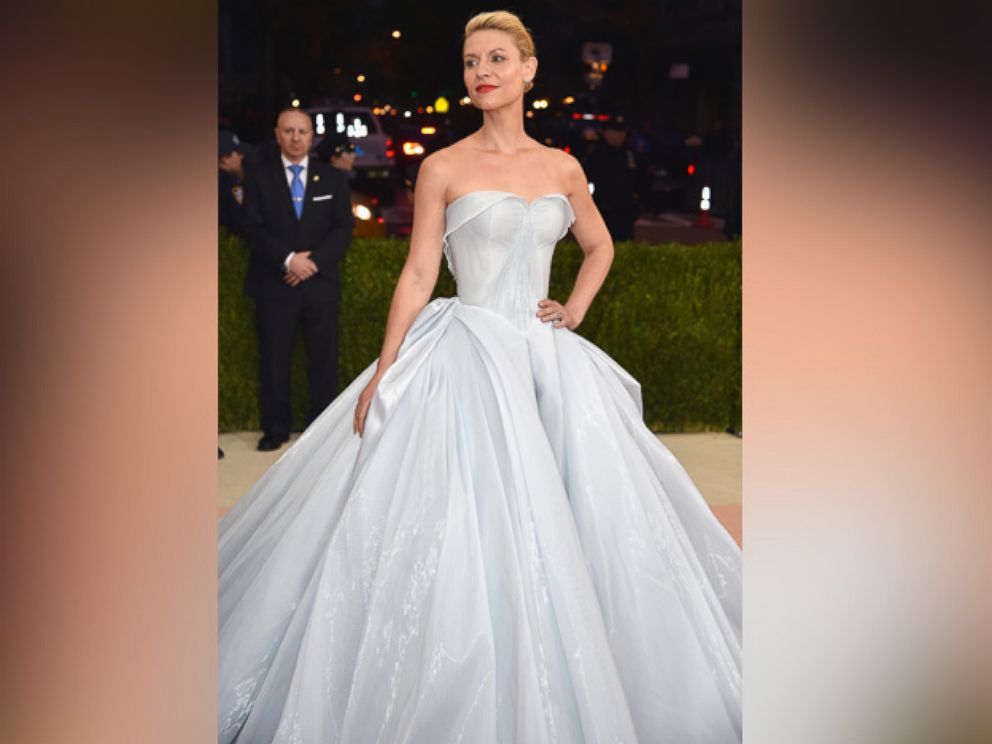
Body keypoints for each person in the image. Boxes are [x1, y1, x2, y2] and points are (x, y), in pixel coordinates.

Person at [219, 10, 742, 744]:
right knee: (456, 518)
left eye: (497, 58)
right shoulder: (443, 165)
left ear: (529, 71)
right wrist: (385, 370)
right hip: (464, 350)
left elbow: (598, 246)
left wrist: (574, 313)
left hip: (546, 359)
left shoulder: (563, 167)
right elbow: (419, 273)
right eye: (470, 62)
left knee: (588, 514)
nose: (481, 71)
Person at [241, 108, 354, 451]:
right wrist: (289, 260)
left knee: (323, 360)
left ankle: (320, 432)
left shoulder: (331, 178)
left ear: (311, 136)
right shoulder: (258, 177)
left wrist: (311, 263)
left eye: (302, 131)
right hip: (275, 285)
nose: (295, 138)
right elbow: (252, 227)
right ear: (277, 134)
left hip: (319, 285)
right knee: (274, 360)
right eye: (288, 131)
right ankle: (275, 429)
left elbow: (343, 228)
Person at [582, 113, 641, 241]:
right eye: (613, 131)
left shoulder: (630, 154)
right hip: (602, 212)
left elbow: (640, 181)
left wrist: (637, 206)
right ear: (606, 133)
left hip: (626, 214)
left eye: (621, 132)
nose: (618, 136)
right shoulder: (596, 154)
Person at [218, 129, 249, 237]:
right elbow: (243, 223)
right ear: (226, 159)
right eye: (238, 153)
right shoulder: (231, 184)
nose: (241, 156)